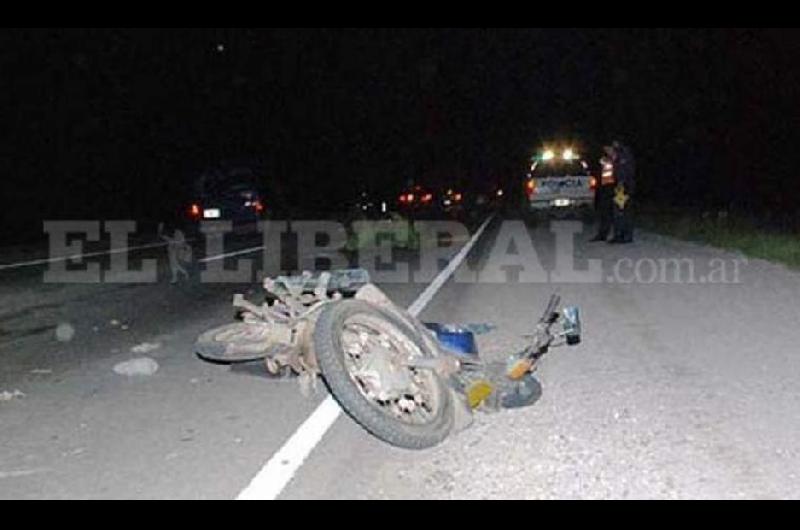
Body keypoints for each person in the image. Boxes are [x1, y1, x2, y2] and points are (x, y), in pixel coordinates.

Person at [609, 140, 636, 244]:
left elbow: (623, 172)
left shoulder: (623, 156)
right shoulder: (623, 155)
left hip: (623, 187)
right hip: (623, 186)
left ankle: (622, 236)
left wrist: (620, 184)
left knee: (620, 212)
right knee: (622, 211)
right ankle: (623, 235)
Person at [590, 145, 617, 242]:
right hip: (604, 187)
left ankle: (618, 234)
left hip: (614, 187)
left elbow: (618, 172)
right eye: (605, 149)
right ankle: (602, 234)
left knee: (616, 212)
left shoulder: (616, 158)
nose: (606, 150)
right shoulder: (604, 159)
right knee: (604, 212)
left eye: (608, 148)